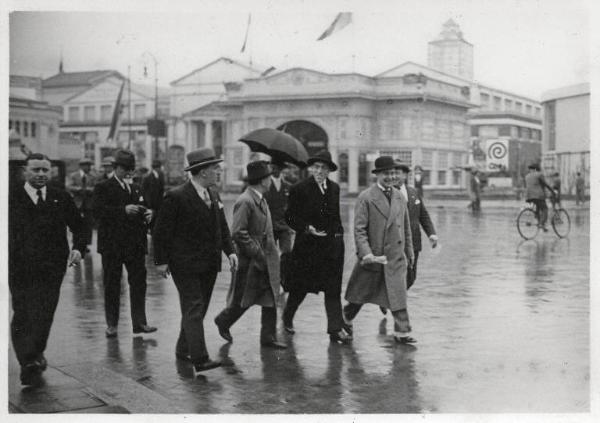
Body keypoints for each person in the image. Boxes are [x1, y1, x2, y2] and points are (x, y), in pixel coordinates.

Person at [153, 148, 237, 373]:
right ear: (201, 172)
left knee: (198, 309)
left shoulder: (213, 193)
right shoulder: (176, 196)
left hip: (209, 263)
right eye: (214, 168)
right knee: (194, 307)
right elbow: (161, 232)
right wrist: (160, 261)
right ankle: (200, 358)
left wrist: (230, 251)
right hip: (184, 263)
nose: (218, 171)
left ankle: (183, 348)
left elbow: (222, 226)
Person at [9, 153, 85, 386]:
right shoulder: (11, 197)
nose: (41, 174)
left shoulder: (59, 197)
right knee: (23, 311)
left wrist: (78, 247)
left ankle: (37, 351)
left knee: (45, 312)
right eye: (36, 170)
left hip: (52, 267)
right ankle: (27, 361)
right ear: (25, 171)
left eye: (45, 170)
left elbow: (80, 225)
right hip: (19, 267)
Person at [343, 156, 416, 344]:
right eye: (386, 173)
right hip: (375, 257)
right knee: (360, 295)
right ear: (377, 175)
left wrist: (409, 251)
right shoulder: (366, 197)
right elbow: (359, 230)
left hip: (395, 257)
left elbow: (405, 227)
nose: (391, 177)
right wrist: (366, 253)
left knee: (398, 294)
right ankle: (345, 320)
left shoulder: (399, 196)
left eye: (393, 173)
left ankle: (402, 331)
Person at [215, 161, 287, 349]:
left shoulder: (260, 198)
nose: (272, 180)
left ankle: (268, 337)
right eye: (269, 177)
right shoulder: (245, 201)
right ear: (263, 180)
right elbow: (238, 232)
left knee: (270, 297)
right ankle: (223, 320)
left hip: (265, 258)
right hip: (252, 261)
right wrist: (258, 253)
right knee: (244, 299)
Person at [282, 150, 351, 344]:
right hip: (308, 249)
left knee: (333, 290)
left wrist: (338, 237)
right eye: (316, 167)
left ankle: (334, 330)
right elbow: (289, 216)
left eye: (323, 167)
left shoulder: (334, 189)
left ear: (329, 170)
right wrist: (306, 228)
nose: (319, 171)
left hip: (330, 249)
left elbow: (335, 217)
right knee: (300, 288)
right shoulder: (299, 189)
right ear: (311, 168)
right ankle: (288, 316)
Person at [93, 149, 157, 338]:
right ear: (115, 168)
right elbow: (96, 212)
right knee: (112, 285)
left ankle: (140, 322)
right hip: (112, 245)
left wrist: (148, 213)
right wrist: (122, 210)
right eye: (124, 169)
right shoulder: (103, 187)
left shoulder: (137, 187)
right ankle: (112, 324)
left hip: (135, 245)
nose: (128, 172)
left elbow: (143, 206)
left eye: (131, 168)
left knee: (139, 283)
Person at [393, 162, 438, 290]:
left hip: (414, 242)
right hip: (395, 242)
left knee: (411, 277)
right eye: (393, 173)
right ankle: (393, 301)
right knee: (396, 275)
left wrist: (432, 234)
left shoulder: (414, 192)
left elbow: (423, 215)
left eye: (398, 173)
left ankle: (392, 298)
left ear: (406, 175)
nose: (395, 176)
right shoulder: (388, 193)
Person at [263, 160, 294, 292]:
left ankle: (283, 280)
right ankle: (268, 281)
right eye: (272, 167)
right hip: (268, 225)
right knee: (269, 253)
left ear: (281, 169)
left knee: (287, 252)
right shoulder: (265, 186)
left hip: (284, 226)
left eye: (276, 167)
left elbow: (292, 207)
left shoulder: (288, 186)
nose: (273, 170)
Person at [66, 158, 97, 248]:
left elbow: (96, 187)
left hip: (88, 203)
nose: (88, 167)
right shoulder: (74, 175)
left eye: (89, 165)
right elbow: (69, 186)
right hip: (77, 203)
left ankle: (87, 244)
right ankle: (76, 242)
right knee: (76, 223)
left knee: (88, 224)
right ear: (81, 166)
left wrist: (89, 190)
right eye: (86, 165)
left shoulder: (93, 176)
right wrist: (78, 189)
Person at [524, 163, 554, 231]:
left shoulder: (527, 176)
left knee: (538, 208)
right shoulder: (539, 174)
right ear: (535, 169)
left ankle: (541, 225)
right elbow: (545, 184)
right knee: (545, 209)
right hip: (538, 195)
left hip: (529, 196)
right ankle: (541, 223)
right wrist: (552, 191)